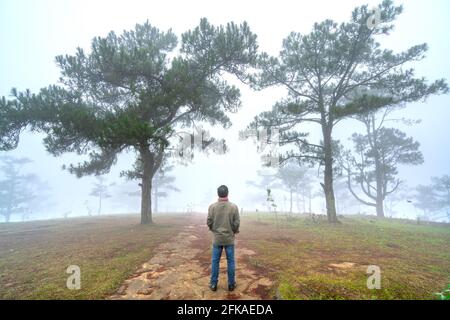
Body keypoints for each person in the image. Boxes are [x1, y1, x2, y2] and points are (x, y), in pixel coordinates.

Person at [207, 185, 240, 292]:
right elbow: (236, 223)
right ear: (227, 193)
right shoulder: (233, 207)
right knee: (230, 261)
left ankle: (213, 284)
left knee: (215, 261)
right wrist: (233, 231)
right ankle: (231, 285)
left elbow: (209, 222)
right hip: (229, 239)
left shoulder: (212, 207)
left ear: (218, 193)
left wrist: (214, 230)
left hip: (217, 239)